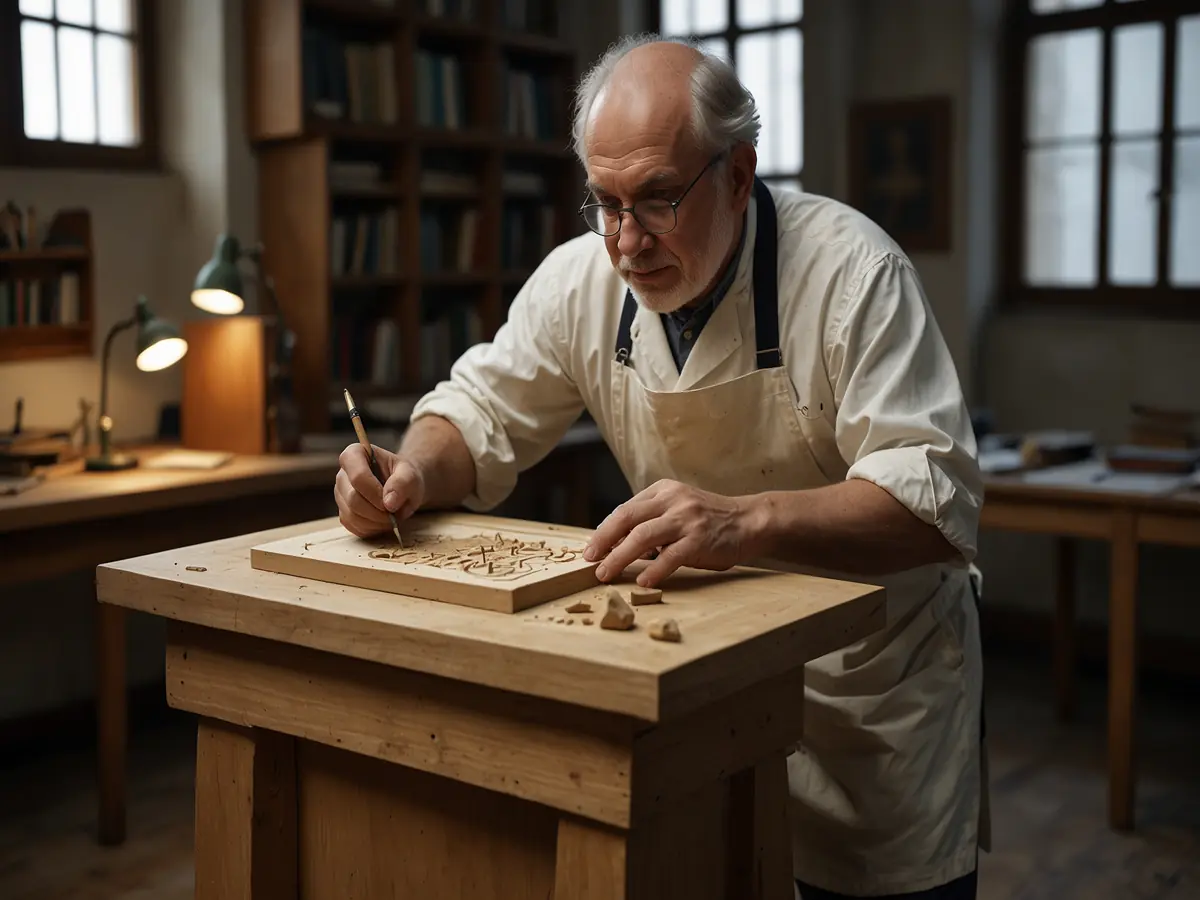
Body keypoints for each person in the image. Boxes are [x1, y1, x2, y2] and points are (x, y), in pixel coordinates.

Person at [334, 34, 987, 900]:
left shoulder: (852, 273)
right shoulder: (581, 281)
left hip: (872, 695)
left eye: (657, 200)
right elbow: (477, 412)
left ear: (739, 171)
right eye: (603, 203)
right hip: (703, 693)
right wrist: (408, 472)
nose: (626, 241)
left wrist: (745, 522)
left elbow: (933, 506)